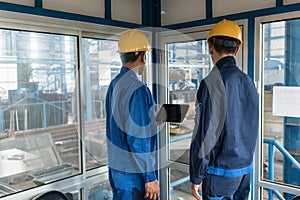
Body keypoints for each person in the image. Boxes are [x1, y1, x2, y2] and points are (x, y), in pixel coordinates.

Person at [189, 19, 259, 200]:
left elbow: (205, 134)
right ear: (237, 49)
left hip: (220, 173)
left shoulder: (211, 83)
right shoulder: (248, 81)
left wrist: (197, 175)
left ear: (210, 47)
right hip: (244, 170)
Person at [105, 29, 160, 200]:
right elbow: (137, 138)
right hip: (134, 175)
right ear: (143, 56)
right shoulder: (138, 89)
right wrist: (149, 177)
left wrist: (150, 120)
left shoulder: (114, 85)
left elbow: (121, 125)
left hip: (118, 171)